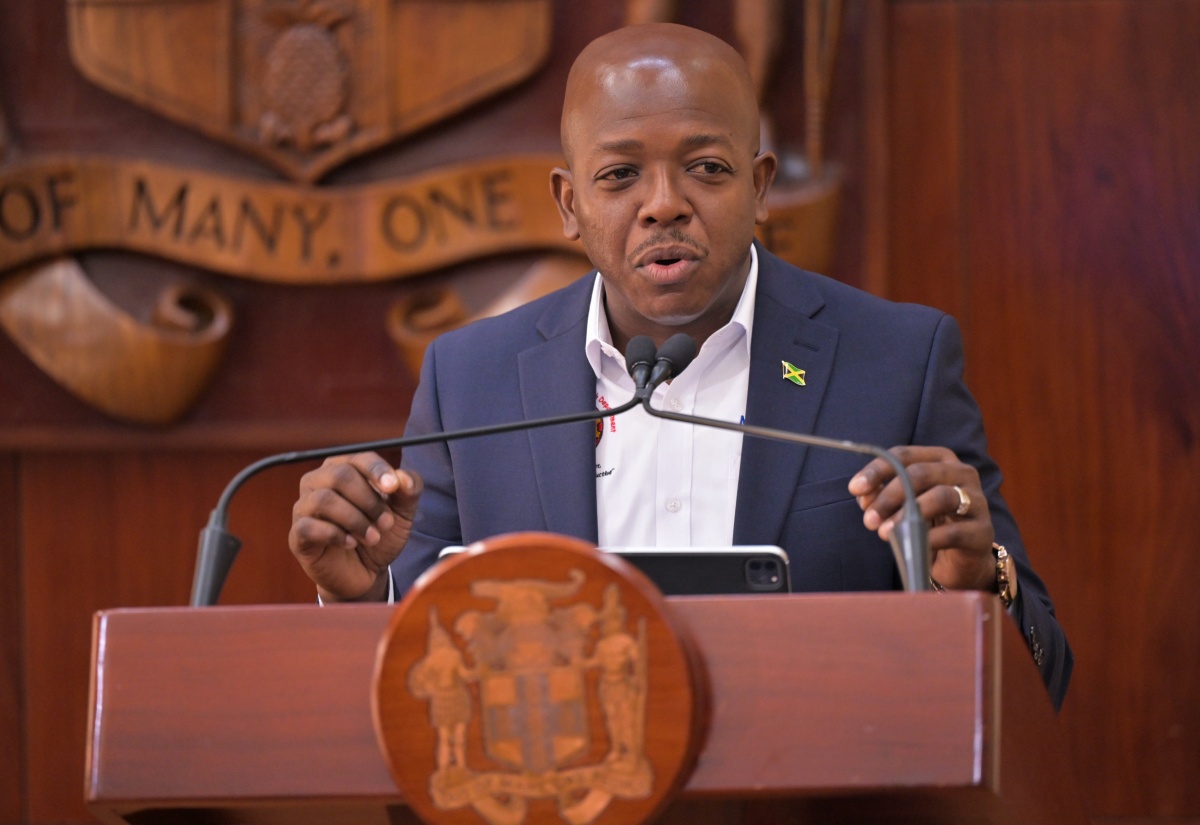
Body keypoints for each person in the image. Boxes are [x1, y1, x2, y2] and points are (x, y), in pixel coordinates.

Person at [289, 23, 1072, 709]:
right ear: (568, 204)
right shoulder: (472, 379)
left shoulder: (896, 360)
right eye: (619, 175)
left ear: (760, 188)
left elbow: (1046, 677)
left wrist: (974, 581)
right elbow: (413, 671)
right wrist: (360, 593)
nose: (664, 203)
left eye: (707, 168)